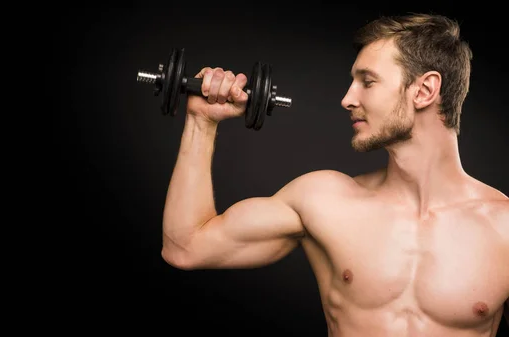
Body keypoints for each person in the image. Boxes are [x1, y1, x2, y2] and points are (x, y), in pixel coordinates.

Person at [160, 12, 509, 336]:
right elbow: (186, 247)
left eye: (367, 82)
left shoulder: (503, 227)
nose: (346, 98)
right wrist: (201, 122)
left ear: (425, 90)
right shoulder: (324, 201)